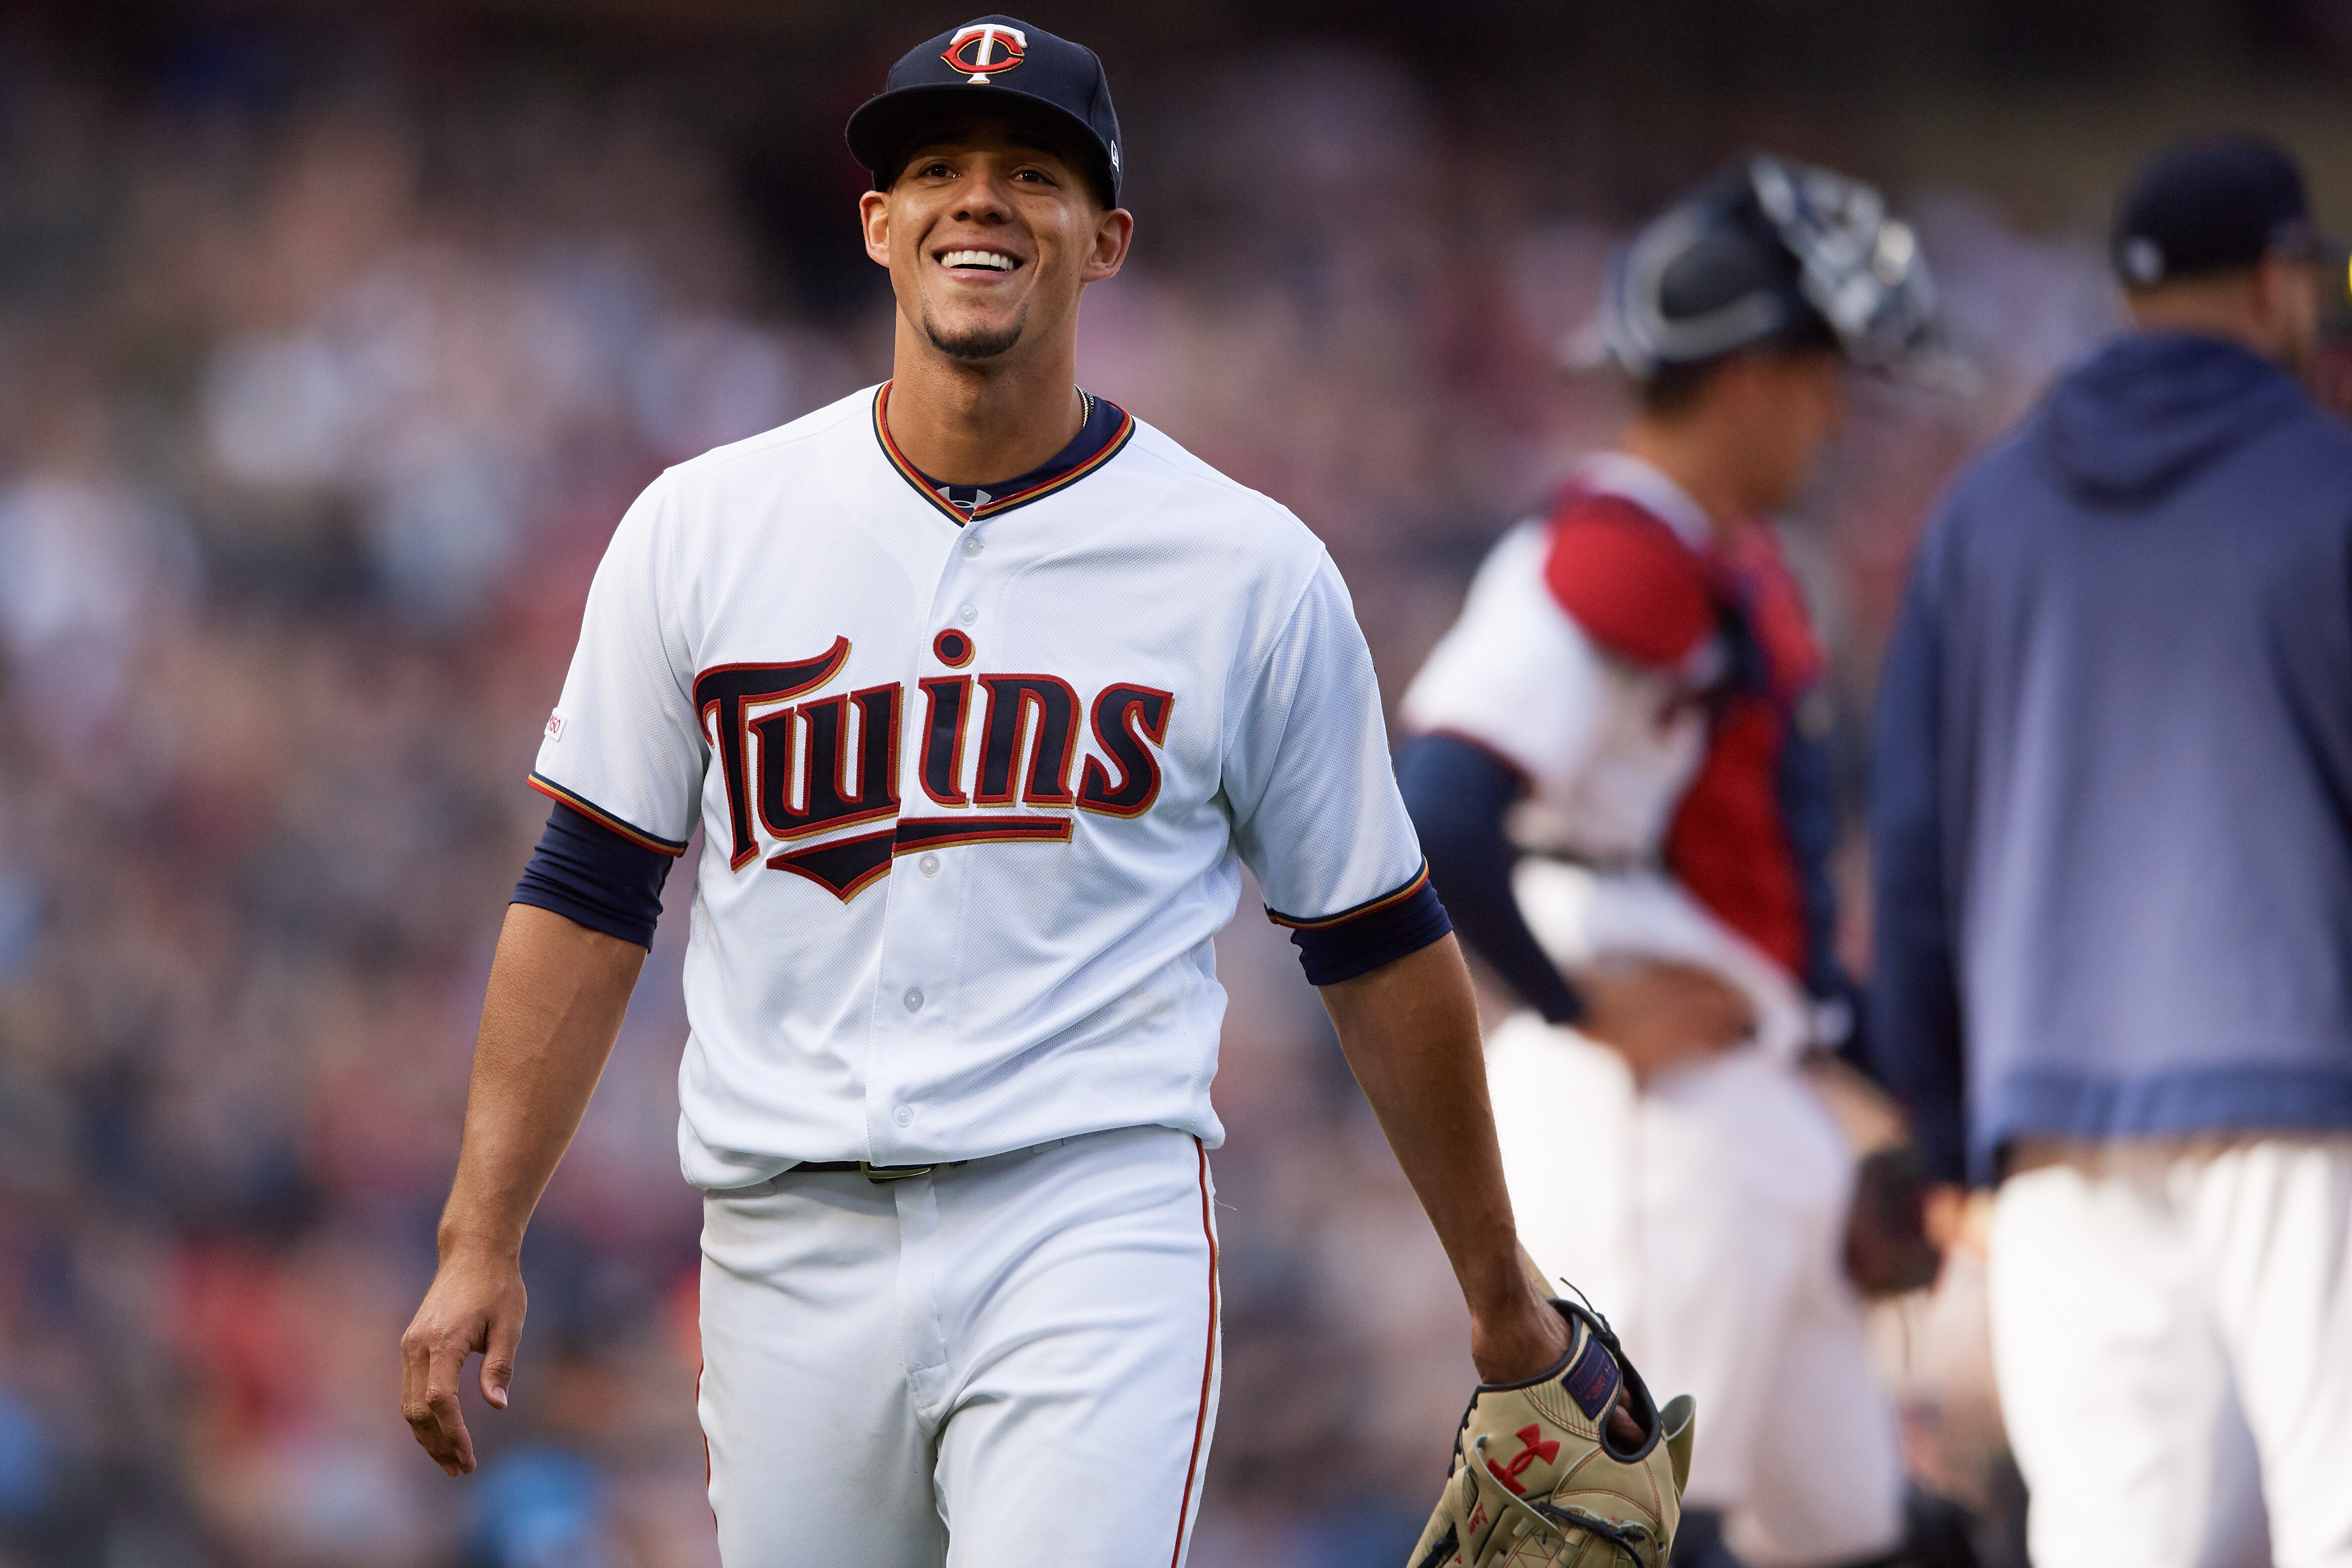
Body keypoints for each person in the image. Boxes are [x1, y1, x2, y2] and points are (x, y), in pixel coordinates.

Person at [393, 16, 1624, 1566]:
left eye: (1032, 173)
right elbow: (586, 894)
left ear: (1106, 241)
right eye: (938, 170)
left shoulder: (1246, 568)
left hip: (1088, 1221)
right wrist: (480, 1233)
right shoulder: (702, 528)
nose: (979, 199)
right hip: (787, 1239)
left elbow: (1376, 940)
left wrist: (1501, 1291)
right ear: (878, 223)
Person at [1398, 158, 1950, 1568]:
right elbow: (1439, 805)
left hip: (1743, 1100)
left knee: (1872, 1539)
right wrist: (1580, 1007)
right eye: (1823, 381)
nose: (1837, 416)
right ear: (1751, 382)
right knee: (1631, 1535)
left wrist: (1919, 1115)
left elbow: (1766, 919)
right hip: (1656, 1122)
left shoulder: (1714, 551)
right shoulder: (1621, 546)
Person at [1869, 132, 2352, 1568]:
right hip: (2305, 1085)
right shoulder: (2330, 489)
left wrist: (1942, 1125)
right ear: (2277, 281)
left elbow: (1916, 848)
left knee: (2116, 1538)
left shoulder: (1983, 515)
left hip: (2053, 1105)